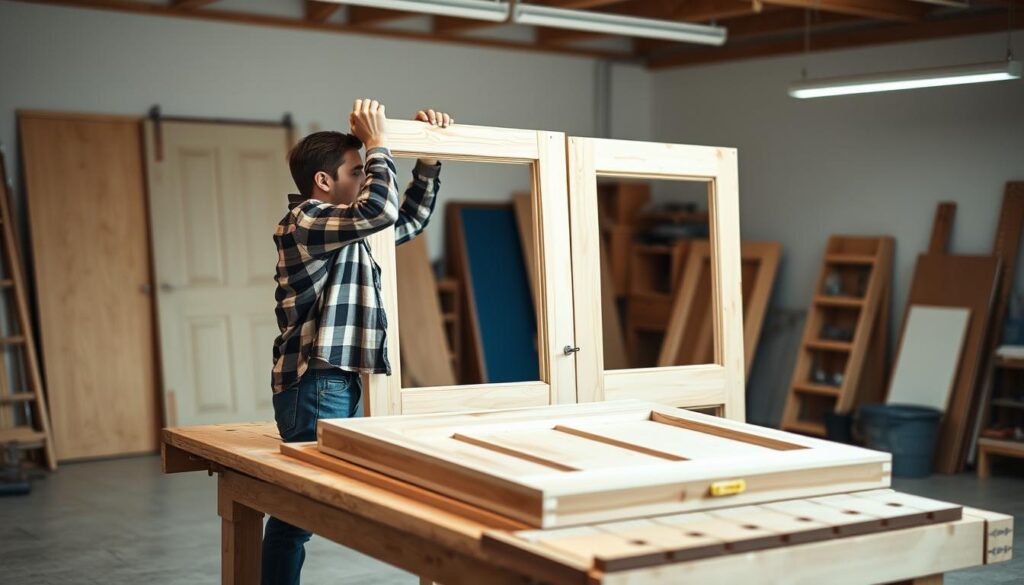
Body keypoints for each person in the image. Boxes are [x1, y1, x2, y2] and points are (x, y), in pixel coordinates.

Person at [264, 99, 453, 585]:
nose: (365, 174)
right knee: (297, 513)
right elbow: (381, 208)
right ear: (323, 182)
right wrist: (378, 143)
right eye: (357, 169)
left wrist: (427, 160)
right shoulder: (307, 220)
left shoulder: (346, 230)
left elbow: (404, 220)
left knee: (295, 514)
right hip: (315, 380)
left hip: (333, 380)